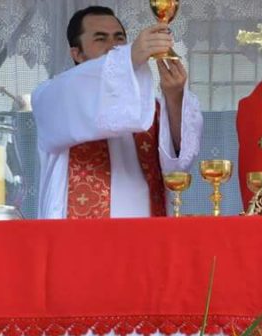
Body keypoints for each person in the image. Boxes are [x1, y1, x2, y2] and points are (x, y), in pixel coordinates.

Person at [34, 5, 202, 219]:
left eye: (119, 38)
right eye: (101, 39)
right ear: (76, 53)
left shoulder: (149, 106)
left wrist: (175, 96)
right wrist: (130, 55)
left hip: (146, 236)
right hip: (81, 240)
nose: (114, 47)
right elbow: (76, 87)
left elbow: (179, 165)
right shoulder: (52, 96)